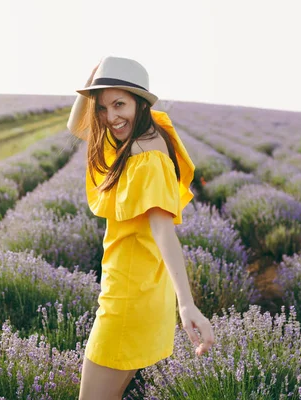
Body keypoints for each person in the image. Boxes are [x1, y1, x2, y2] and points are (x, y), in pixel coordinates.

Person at [67, 56, 215, 400]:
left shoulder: (146, 153)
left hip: (127, 298)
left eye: (120, 104)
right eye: (103, 108)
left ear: (140, 102)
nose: (110, 116)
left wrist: (187, 305)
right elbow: (78, 126)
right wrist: (91, 85)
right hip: (142, 288)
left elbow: (165, 230)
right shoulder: (135, 137)